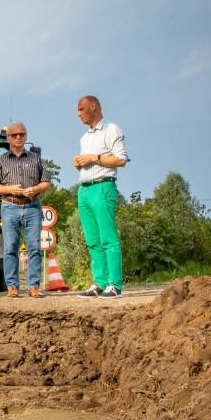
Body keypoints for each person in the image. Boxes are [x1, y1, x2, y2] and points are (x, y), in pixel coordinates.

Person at [72, 96, 129, 299]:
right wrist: (80, 162)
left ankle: (114, 285)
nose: (78, 114)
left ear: (93, 107)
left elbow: (121, 159)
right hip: (85, 189)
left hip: (103, 187)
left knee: (108, 238)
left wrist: (93, 158)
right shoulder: (85, 137)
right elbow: (89, 160)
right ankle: (100, 282)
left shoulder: (111, 130)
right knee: (93, 240)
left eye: (81, 109)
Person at [0, 122, 52, 298]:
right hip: (10, 206)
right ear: (8, 138)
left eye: (21, 134)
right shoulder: (0, 160)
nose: (18, 137)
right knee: (10, 248)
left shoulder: (36, 159)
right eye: (14, 135)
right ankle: (13, 287)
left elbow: (46, 182)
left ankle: (33, 287)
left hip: (32, 207)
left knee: (34, 247)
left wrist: (36, 189)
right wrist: (10, 190)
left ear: (26, 136)